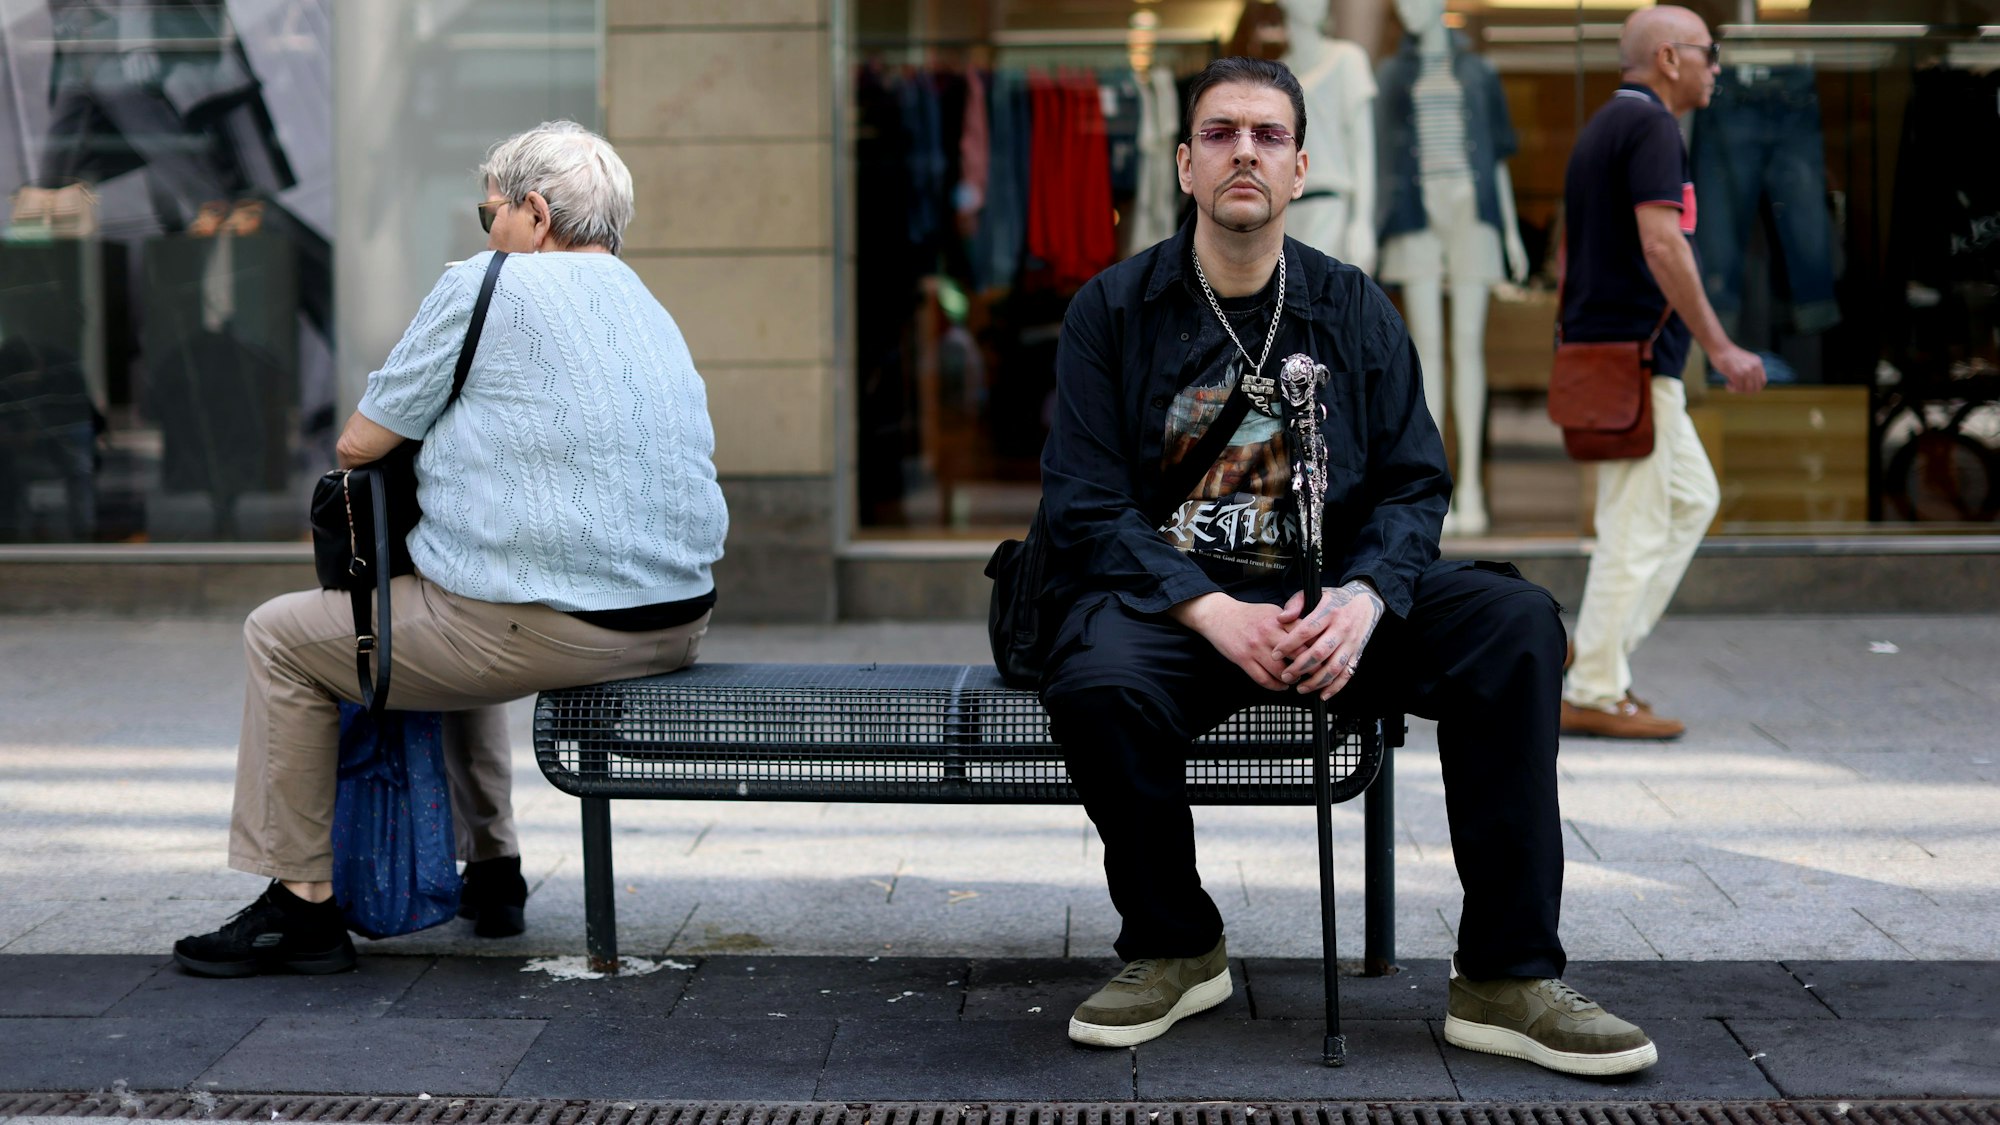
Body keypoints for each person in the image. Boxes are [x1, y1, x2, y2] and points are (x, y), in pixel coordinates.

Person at [1037, 56, 1657, 1077]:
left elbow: (1416, 484)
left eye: (1268, 136)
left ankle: (1505, 976)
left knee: (1512, 626)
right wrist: (1204, 609)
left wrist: (1366, 597)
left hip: (1333, 609)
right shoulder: (1111, 312)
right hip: (1177, 618)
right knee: (1094, 678)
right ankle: (1173, 944)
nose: (1245, 150)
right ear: (1185, 164)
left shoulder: (1352, 309)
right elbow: (1085, 503)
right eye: (1222, 133)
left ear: (1299, 170)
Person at [173, 121, 729, 977]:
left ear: (534, 214)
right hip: (673, 623)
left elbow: (359, 441)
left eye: (490, 213)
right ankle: (494, 866)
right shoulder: (645, 303)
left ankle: (301, 906)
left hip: (553, 624)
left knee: (281, 635)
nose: (488, 232)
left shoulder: (489, 282)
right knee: (450, 586)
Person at [1557, 7, 1765, 741]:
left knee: (1688, 499)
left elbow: (1573, 250)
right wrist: (1721, 345)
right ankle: (1591, 686)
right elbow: (1663, 244)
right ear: (1670, 58)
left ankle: (1597, 651)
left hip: (1620, 356)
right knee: (1635, 526)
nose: (1717, 67)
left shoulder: (1606, 127)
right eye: (1710, 53)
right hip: (1636, 362)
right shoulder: (1650, 129)